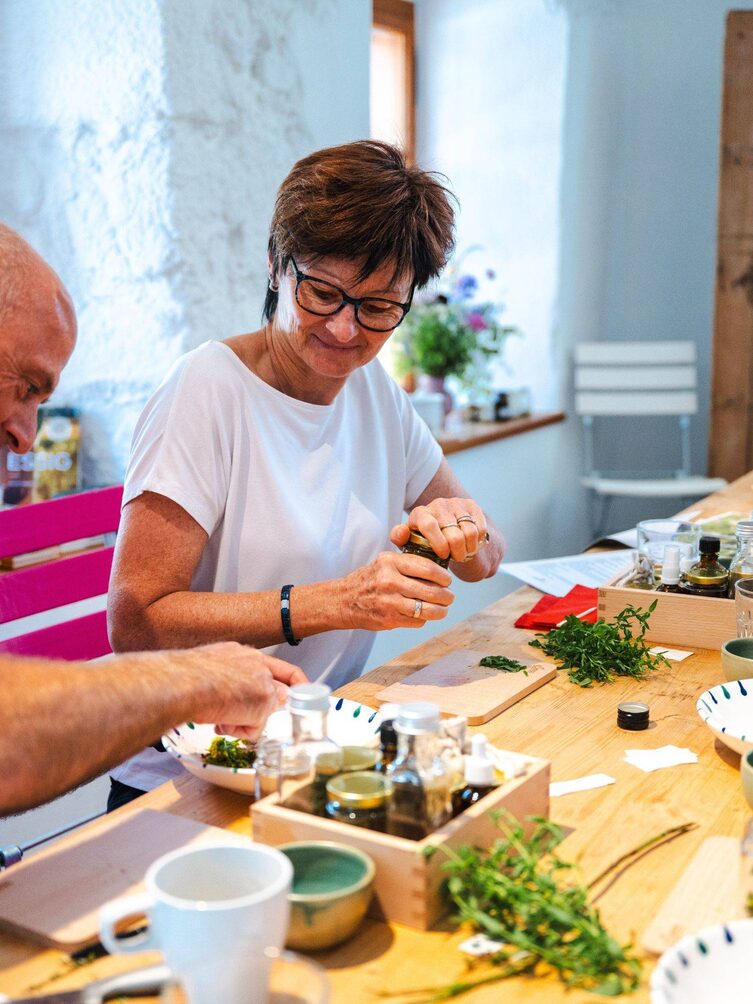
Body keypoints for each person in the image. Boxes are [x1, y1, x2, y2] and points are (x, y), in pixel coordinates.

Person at [108, 140, 505, 803]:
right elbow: (136, 622)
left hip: (313, 753)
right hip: (190, 777)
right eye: (322, 293)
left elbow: (486, 558)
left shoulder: (373, 393)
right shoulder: (207, 392)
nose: (346, 331)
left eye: (379, 308)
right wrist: (337, 603)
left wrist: (458, 530)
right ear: (275, 265)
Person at [0, 224, 307, 815]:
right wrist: (200, 678)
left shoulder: (376, 394)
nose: (26, 436)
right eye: (26, 386)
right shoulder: (205, 383)